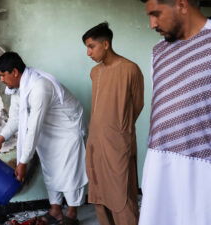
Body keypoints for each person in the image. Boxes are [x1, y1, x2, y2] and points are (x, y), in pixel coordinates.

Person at [0, 52, 87, 225]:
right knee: (51, 171)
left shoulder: (40, 86)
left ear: (14, 72)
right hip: (48, 132)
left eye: (3, 75)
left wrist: (23, 162)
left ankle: (72, 215)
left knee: (70, 173)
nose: (2, 80)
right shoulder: (19, 88)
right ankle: (56, 211)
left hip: (67, 131)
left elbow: (33, 127)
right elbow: (15, 118)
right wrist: (1, 138)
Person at [139, 0, 211, 224]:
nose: (152, 24)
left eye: (156, 14)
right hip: (159, 167)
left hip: (201, 171)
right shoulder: (158, 52)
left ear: (181, 4)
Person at [82, 22, 144, 225]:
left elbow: (137, 105)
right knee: (99, 194)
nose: (88, 53)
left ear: (106, 44)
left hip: (118, 143)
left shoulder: (130, 69)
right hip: (95, 143)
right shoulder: (95, 73)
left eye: (91, 46)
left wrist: (119, 130)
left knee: (121, 196)